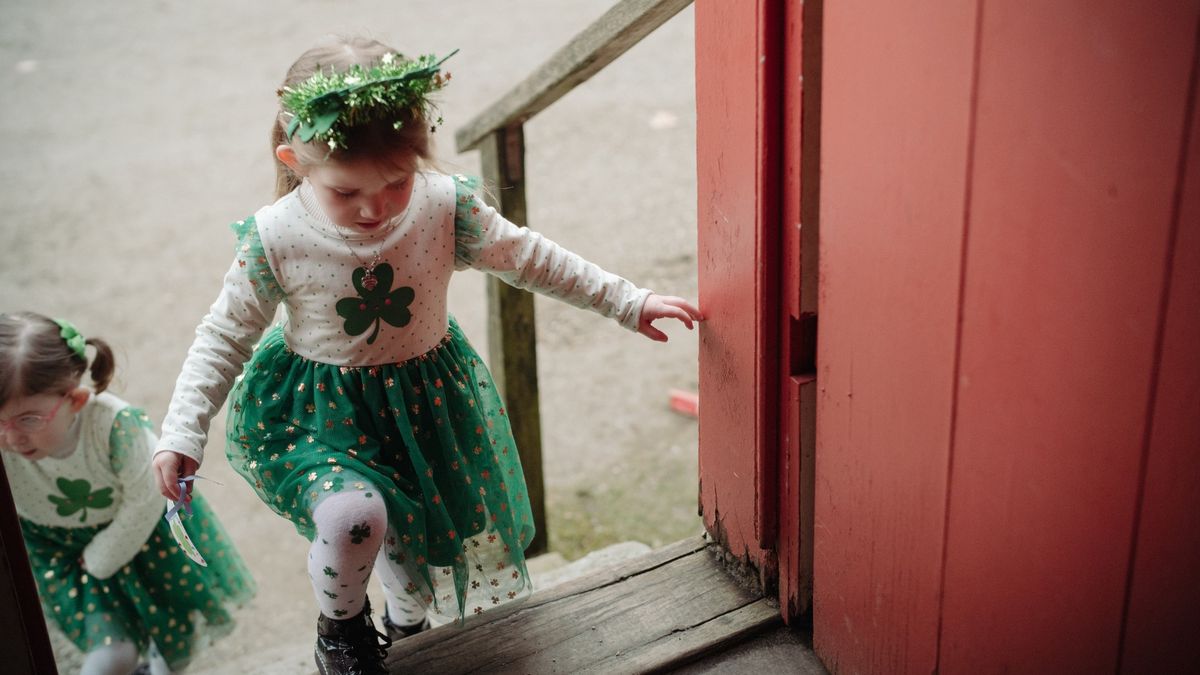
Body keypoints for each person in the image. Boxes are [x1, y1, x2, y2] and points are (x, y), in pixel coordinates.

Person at [151, 36, 703, 675]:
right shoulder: (277, 236)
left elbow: (530, 258)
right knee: (357, 517)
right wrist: (181, 431)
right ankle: (341, 633)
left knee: (415, 554)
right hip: (321, 414)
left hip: (427, 404)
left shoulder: (444, 205)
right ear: (294, 160)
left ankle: (405, 622)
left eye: (395, 182)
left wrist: (628, 301)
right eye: (346, 191)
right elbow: (223, 334)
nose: (375, 207)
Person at [0, 312, 255, 675]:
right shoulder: (6, 443)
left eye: (28, 419)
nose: (11, 437)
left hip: (139, 540)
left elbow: (146, 496)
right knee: (111, 652)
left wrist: (104, 555)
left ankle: (157, 662)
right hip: (64, 551)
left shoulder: (115, 427)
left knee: (168, 630)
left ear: (75, 399)